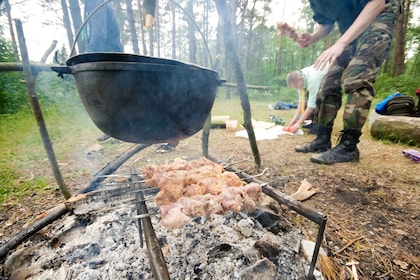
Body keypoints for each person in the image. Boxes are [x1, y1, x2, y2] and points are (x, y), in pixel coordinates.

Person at [277, 0, 399, 165]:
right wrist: (311, 38)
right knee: (328, 85)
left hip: (378, 16)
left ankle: (349, 146)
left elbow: (377, 2)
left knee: (357, 78)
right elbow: (327, 24)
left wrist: (340, 43)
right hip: (350, 28)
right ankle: (322, 139)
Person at [285, 64, 328, 134]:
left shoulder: (312, 79)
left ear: (299, 80)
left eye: (296, 86)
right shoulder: (301, 78)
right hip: (318, 81)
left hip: (331, 77)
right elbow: (301, 101)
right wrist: (295, 118)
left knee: (319, 99)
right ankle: (313, 123)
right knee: (308, 101)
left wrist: (298, 123)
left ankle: (321, 125)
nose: (296, 88)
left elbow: (311, 105)